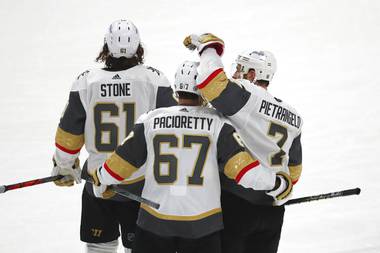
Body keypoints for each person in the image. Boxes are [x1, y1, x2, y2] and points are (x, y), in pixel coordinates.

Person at [89, 60, 287, 253]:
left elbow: (122, 163)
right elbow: (243, 171)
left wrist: (101, 178)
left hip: (154, 223)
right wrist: (276, 184)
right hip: (202, 226)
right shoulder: (218, 123)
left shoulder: (151, 119)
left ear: (176, 87)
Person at [51, 19, 176, 253]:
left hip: (97, 182)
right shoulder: (154, 79)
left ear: (105, 47)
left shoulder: (86, 81)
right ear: (139, 47)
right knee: (139, 247)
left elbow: (70, 132)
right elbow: (173, 128)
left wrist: (64, 166)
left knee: (99, 247)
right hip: (140, 184)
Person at [183, 34, 303, 253]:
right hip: (273, 211)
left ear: (252, 74)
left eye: (239, 69)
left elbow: (211, 84)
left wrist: (209, 49)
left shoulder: (248, 97)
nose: (234, 74)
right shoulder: (294, 117)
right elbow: (293, 171)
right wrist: (279, 187)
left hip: (236, 203)